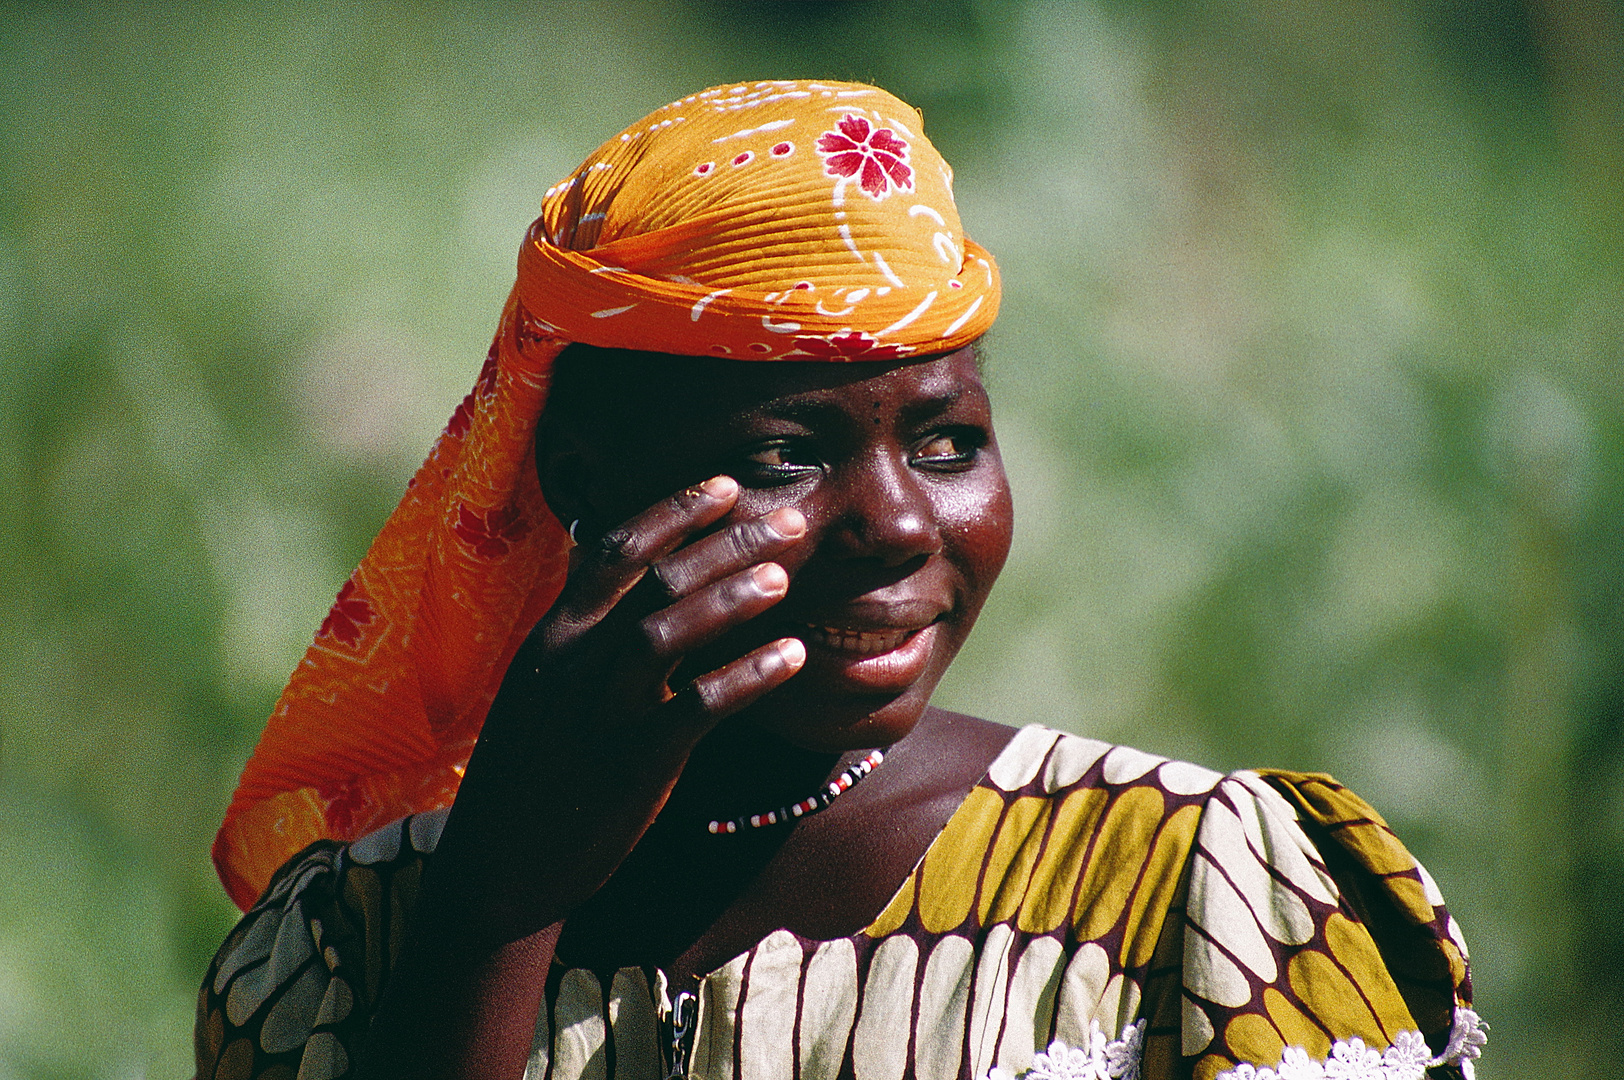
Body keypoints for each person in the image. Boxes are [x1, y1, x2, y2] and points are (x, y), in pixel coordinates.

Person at [195, 81, 1486, 1080]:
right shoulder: (369, 938)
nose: (897, 524)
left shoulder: (1188, 894)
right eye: (788, 453)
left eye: (947, 442)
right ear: (583, 475)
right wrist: (500, 910)